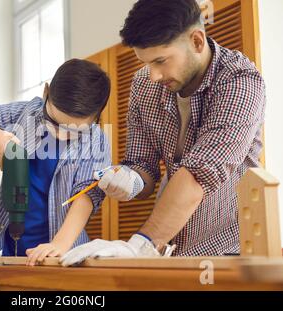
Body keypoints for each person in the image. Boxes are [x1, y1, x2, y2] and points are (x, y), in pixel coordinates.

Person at [60, 0, 265, 266]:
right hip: (167, 252)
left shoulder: (240, 81)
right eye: (146, 63)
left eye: (160, 61)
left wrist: (139, 246)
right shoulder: (145, 84)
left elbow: (199, 173)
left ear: (197, 41)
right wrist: (130, 179)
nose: (154, 75)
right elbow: (142, 165)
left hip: (228, 252)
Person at [0, 59, 112, 265]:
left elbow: (86, 196)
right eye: (55, 122)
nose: (61, 134)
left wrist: (59, 244)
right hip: (13, 247)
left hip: (64, 252)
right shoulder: (25, 113)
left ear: (97, 115)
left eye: (75, 130)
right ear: (46, 92)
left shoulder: (96, 140)